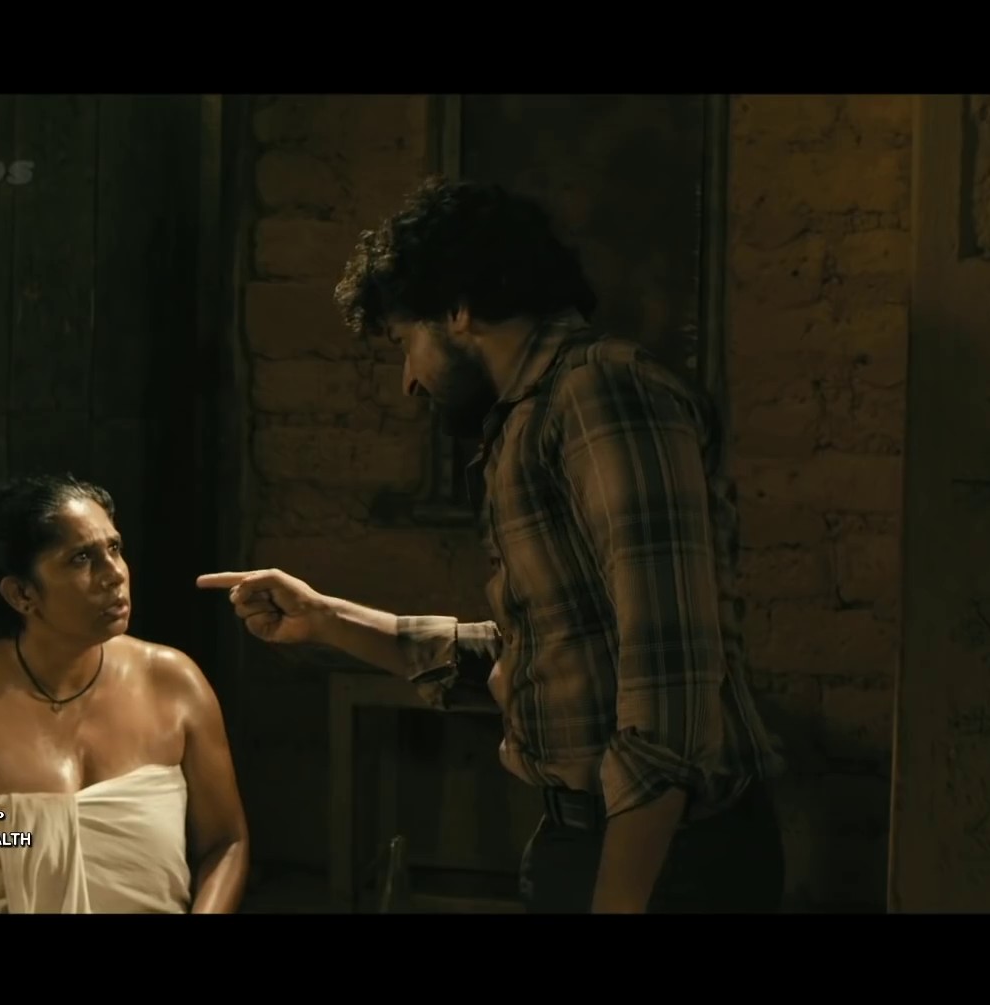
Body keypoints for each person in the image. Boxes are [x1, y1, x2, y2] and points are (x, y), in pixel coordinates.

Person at [198, 177, 786, 914]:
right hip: (590, 838)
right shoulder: (529, 420)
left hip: (666, 860)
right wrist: (327, 619)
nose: (409, 381)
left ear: (458, 310)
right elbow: (550, 657)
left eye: (405, 342)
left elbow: (669, 689)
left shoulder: (601, 395)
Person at [0, 474, 250, 913]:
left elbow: (226, 842)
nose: (114, 574)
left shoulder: (174, 682)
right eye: (81, 559)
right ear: (22, 594)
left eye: (114, 548)